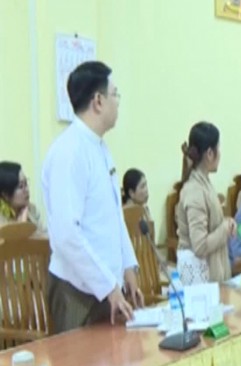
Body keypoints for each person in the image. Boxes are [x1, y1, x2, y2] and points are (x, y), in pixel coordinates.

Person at [41, 61, 142, 333]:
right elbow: (66, 235)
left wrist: (128, 267)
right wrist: (108, 286)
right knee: (81, 361)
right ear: (98, 101)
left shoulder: (99, 147)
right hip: (76, 291)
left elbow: (114, 215)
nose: (118, 102)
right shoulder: (69, 152)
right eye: (115, 94)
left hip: (108, 287)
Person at [175, 122, 236, 284]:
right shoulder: (194, 191)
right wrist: (224, 229)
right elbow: (200, 246)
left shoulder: (204, 183)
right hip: (200, 280)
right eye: (218, 149)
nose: (220, 154)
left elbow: (210, 225)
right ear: (209, 153)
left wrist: (226, 223)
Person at [0, 161, 43, 232]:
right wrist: (22, 226)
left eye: (26, 184)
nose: (27, 190)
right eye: (21, 186)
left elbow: (43, 235)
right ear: (5, 195)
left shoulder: (32, 209)